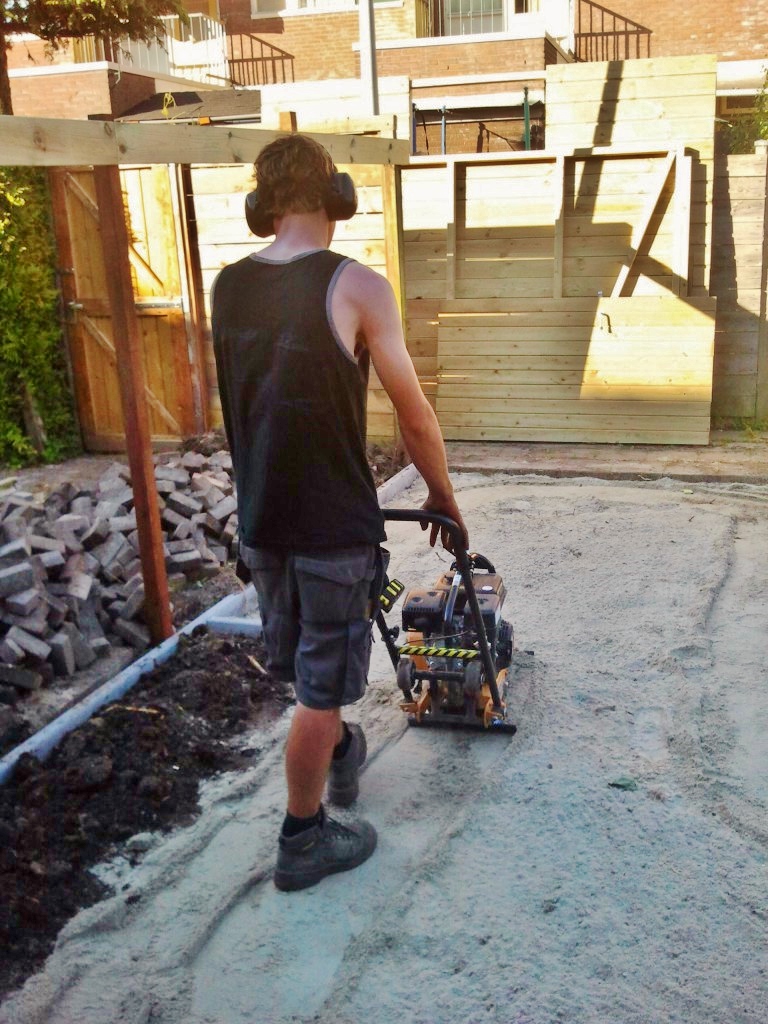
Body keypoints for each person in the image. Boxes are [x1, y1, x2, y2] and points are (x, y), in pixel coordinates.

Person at [211, 133, 467, 892]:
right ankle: (303, 838)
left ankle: (342, 750)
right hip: (330, 530)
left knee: (306, 671)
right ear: (337, 198)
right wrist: (443, 496)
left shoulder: (226, 286)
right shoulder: (358, 286)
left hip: (262, 525)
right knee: (320, 690)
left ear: (262, 206)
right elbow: (413, 413)